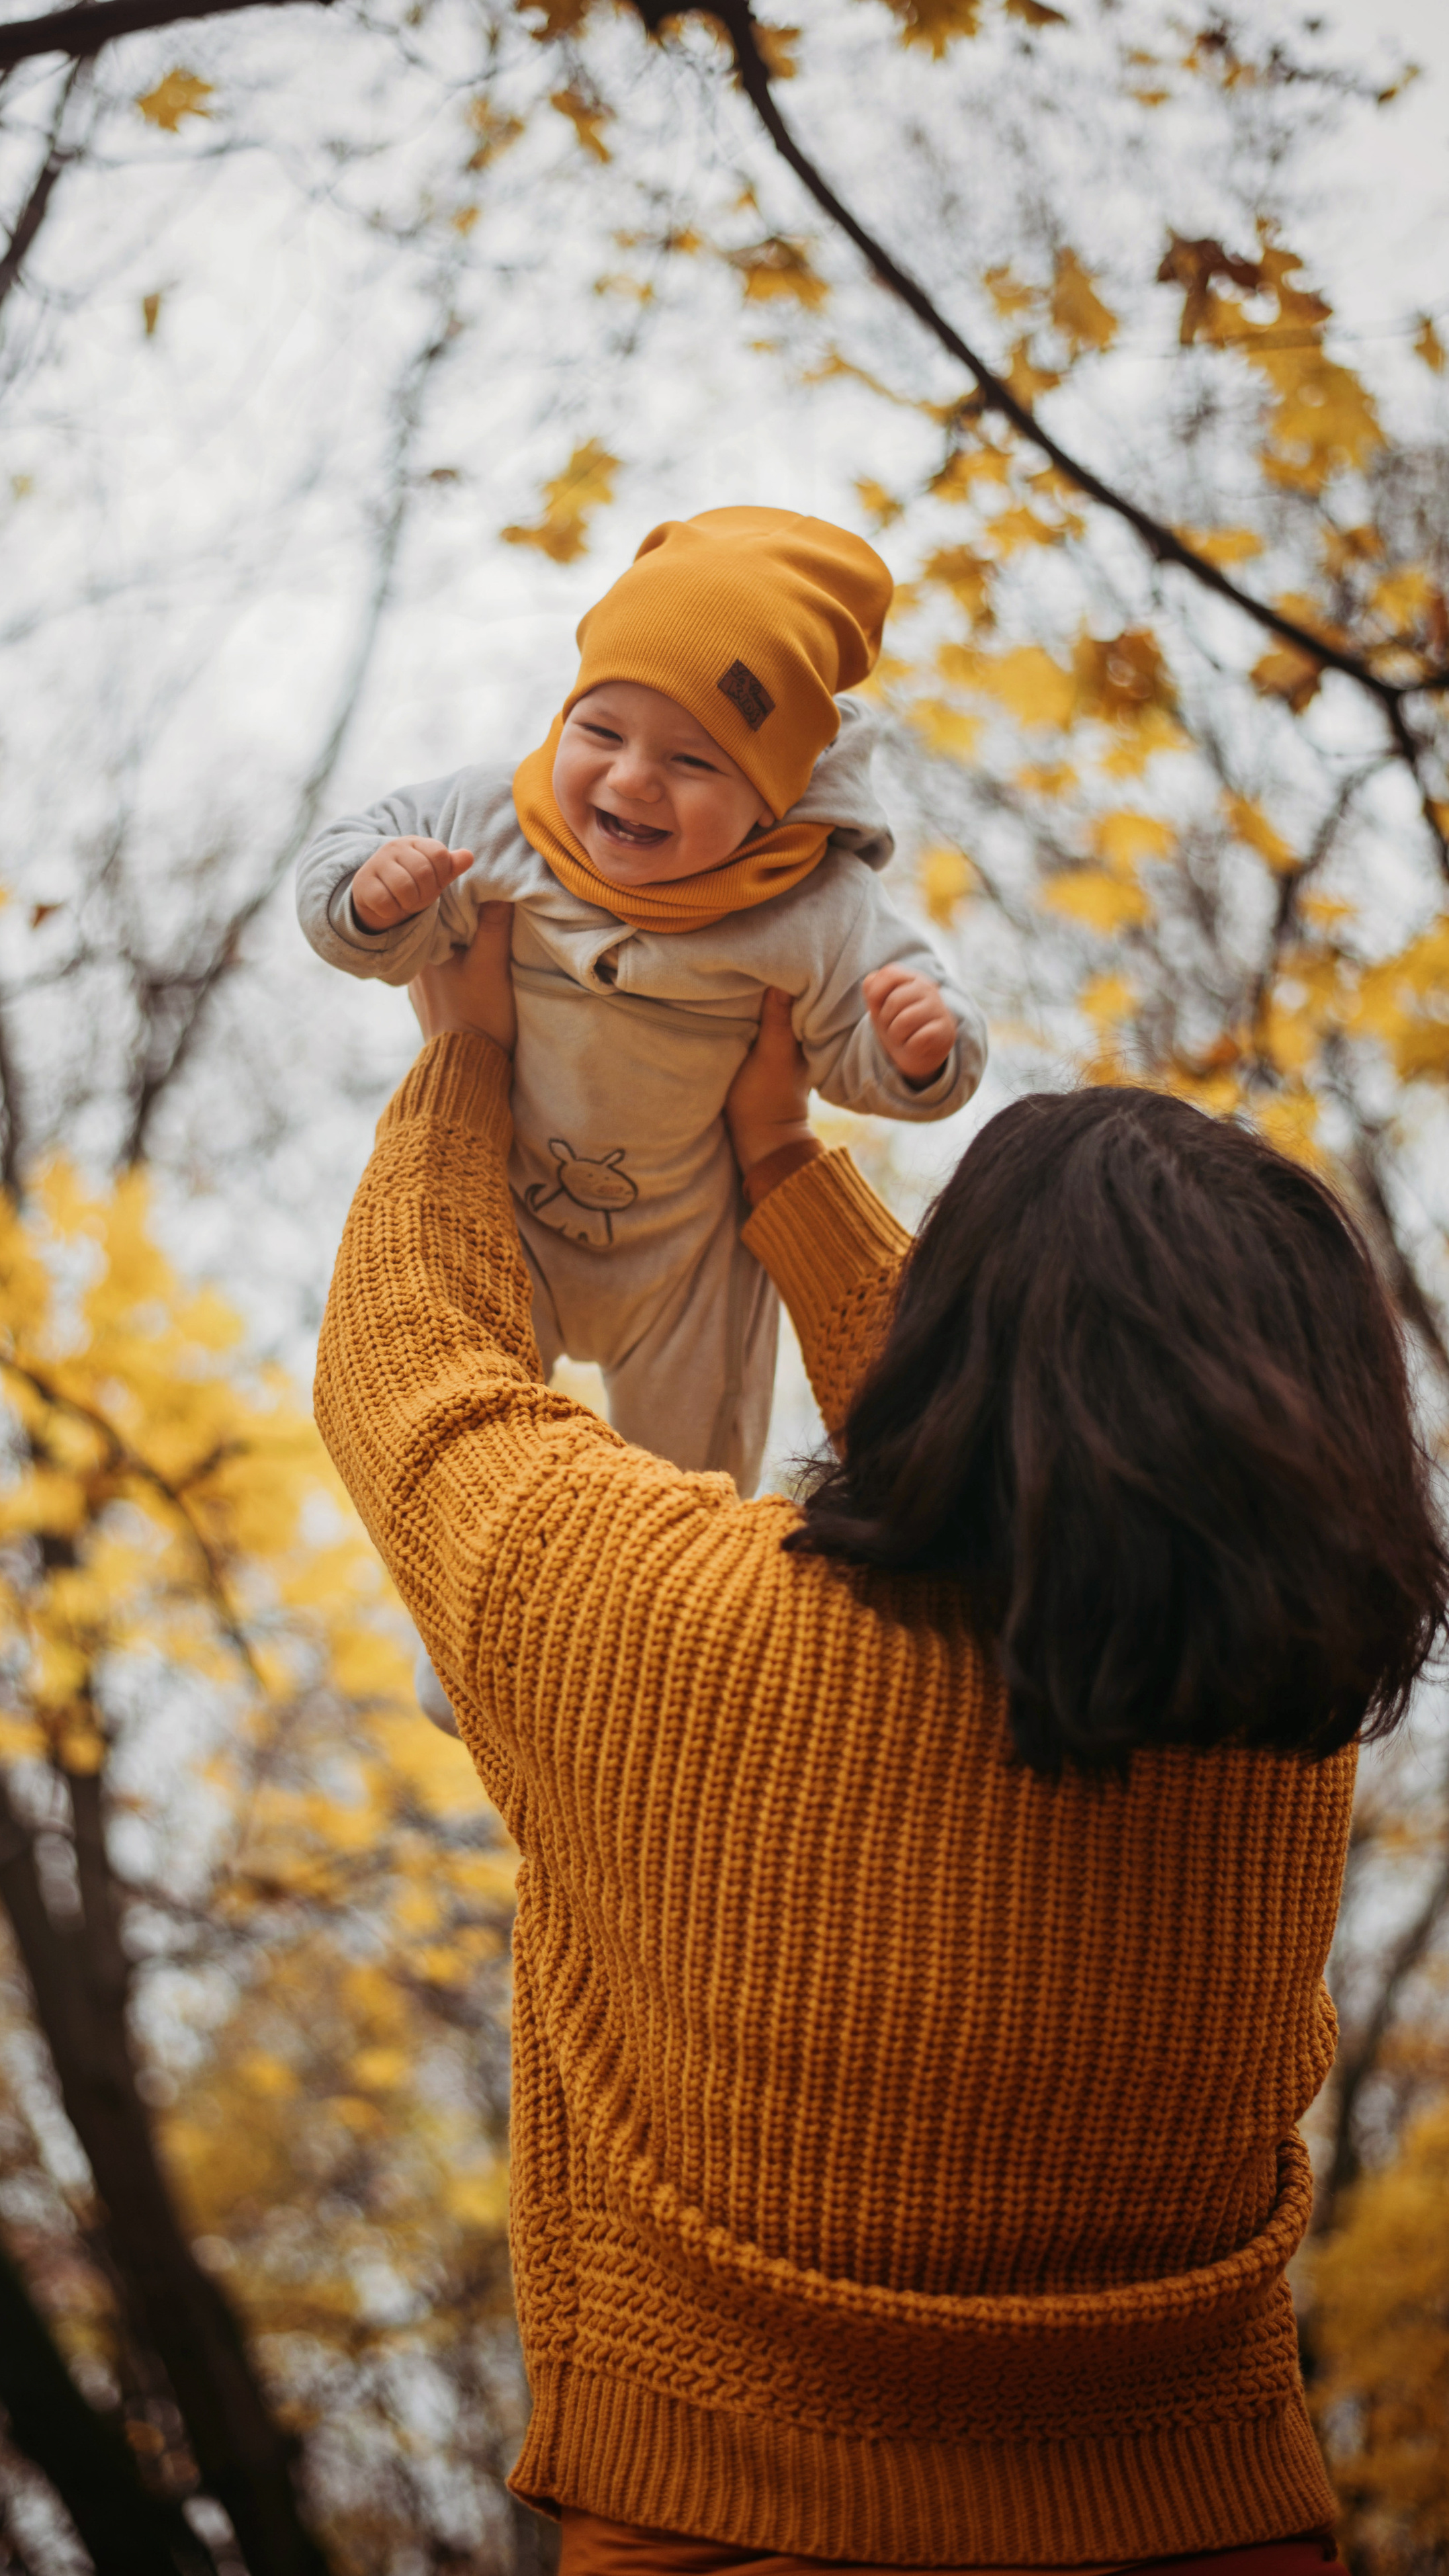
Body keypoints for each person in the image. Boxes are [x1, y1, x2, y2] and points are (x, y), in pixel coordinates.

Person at [312, 903, 1448, 2575]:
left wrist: (470, 1057)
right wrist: (777, 1170)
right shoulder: (1262, 1741)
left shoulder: (659, 1635)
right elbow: (1061, 1481)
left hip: (718, 2533)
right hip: (1208, 2535)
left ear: (961, 1348)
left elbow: (414, 1372)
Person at [298, 507, 985, 1508]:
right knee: (457, 1473)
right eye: (602, 730)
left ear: (771, 802)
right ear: (562, 720)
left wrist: (919, 1047)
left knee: (686, 1499)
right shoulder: (499, 820)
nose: (630, 778)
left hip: (686, 1254)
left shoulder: (812, 904)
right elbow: (345, 865)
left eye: (693, 761)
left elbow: (871, 1046)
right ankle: (456, 1672)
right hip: (508, 1206)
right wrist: (370, 894)